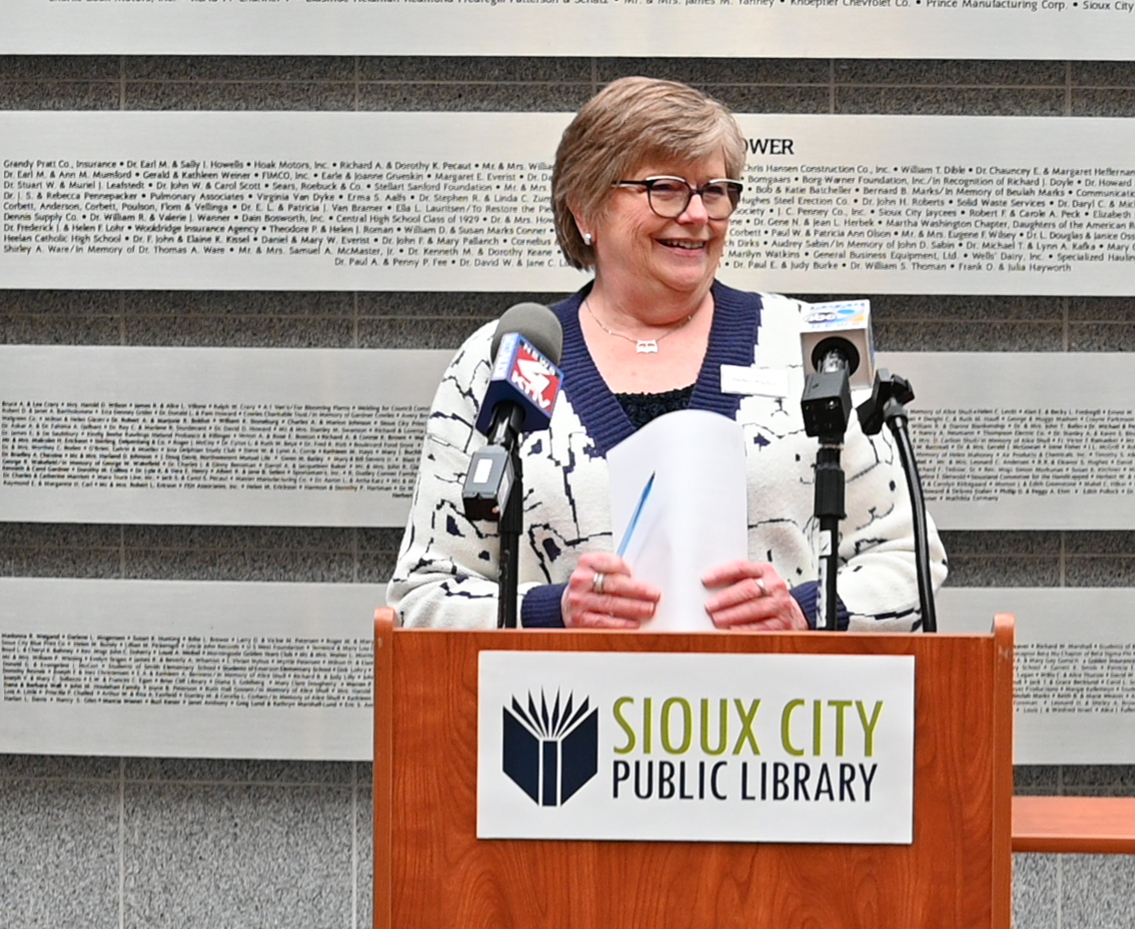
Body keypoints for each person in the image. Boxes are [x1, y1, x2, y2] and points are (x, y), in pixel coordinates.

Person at [388, 76, 946, 631]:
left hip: (781, 713)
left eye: (715, 190)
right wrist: (551, 611)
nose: (698, 215)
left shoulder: (816, 347)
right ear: (585, 209)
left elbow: (911, 564)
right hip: (566, 715)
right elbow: (423, 594)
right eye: (665, 187)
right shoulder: (504, 359)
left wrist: (807, 608)